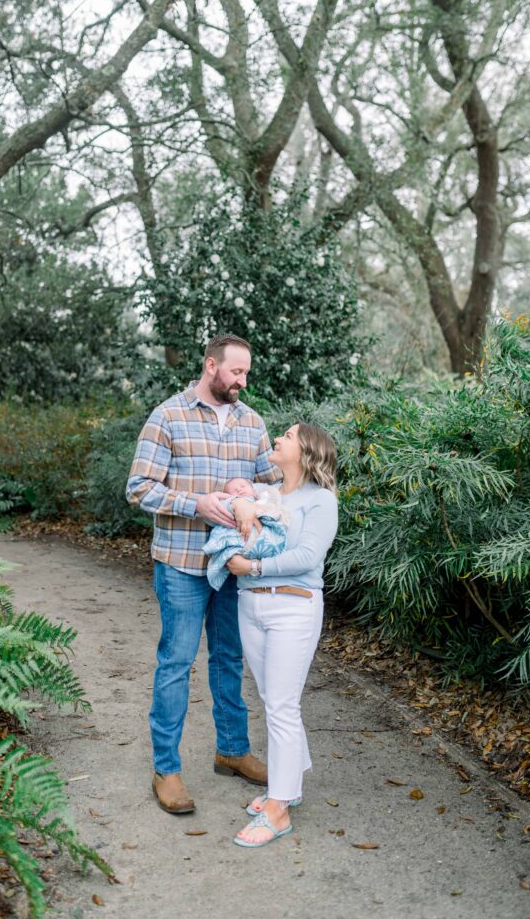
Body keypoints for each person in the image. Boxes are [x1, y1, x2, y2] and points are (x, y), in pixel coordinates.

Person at [126, 334, 281, 814]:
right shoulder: (167, 415)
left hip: (233, 567)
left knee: (230, 659)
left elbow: (274, 487)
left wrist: (247, 491)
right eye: (236, 372)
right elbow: (139, 488)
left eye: (247, 373)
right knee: (176, 663)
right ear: (211, 366)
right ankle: (166, 770)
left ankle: (232, 751)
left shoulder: (251, 421)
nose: (243, 381)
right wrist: (197, 504)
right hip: (181, 564)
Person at [225, 421, 338, 847]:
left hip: (293, 607)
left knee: (283, 706)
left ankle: (279, 808)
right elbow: (238, 501)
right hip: (250, 605)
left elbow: (308, 556)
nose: (276, 439)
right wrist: (241, 505)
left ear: (307, 452)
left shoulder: (321, 500)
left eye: (287, 436)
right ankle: (289, 786)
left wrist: (253, 567)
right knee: (273, 701)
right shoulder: (270, 494)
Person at [203, 478, 290, 591]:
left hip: (263, 539)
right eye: (233, 490)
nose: (239, 490)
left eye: (243, 486)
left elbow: (273, 509)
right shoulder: (230, 504)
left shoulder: (263, 499)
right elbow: (213, 516)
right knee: (221, 533)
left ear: (254, 491)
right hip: (239, 541)